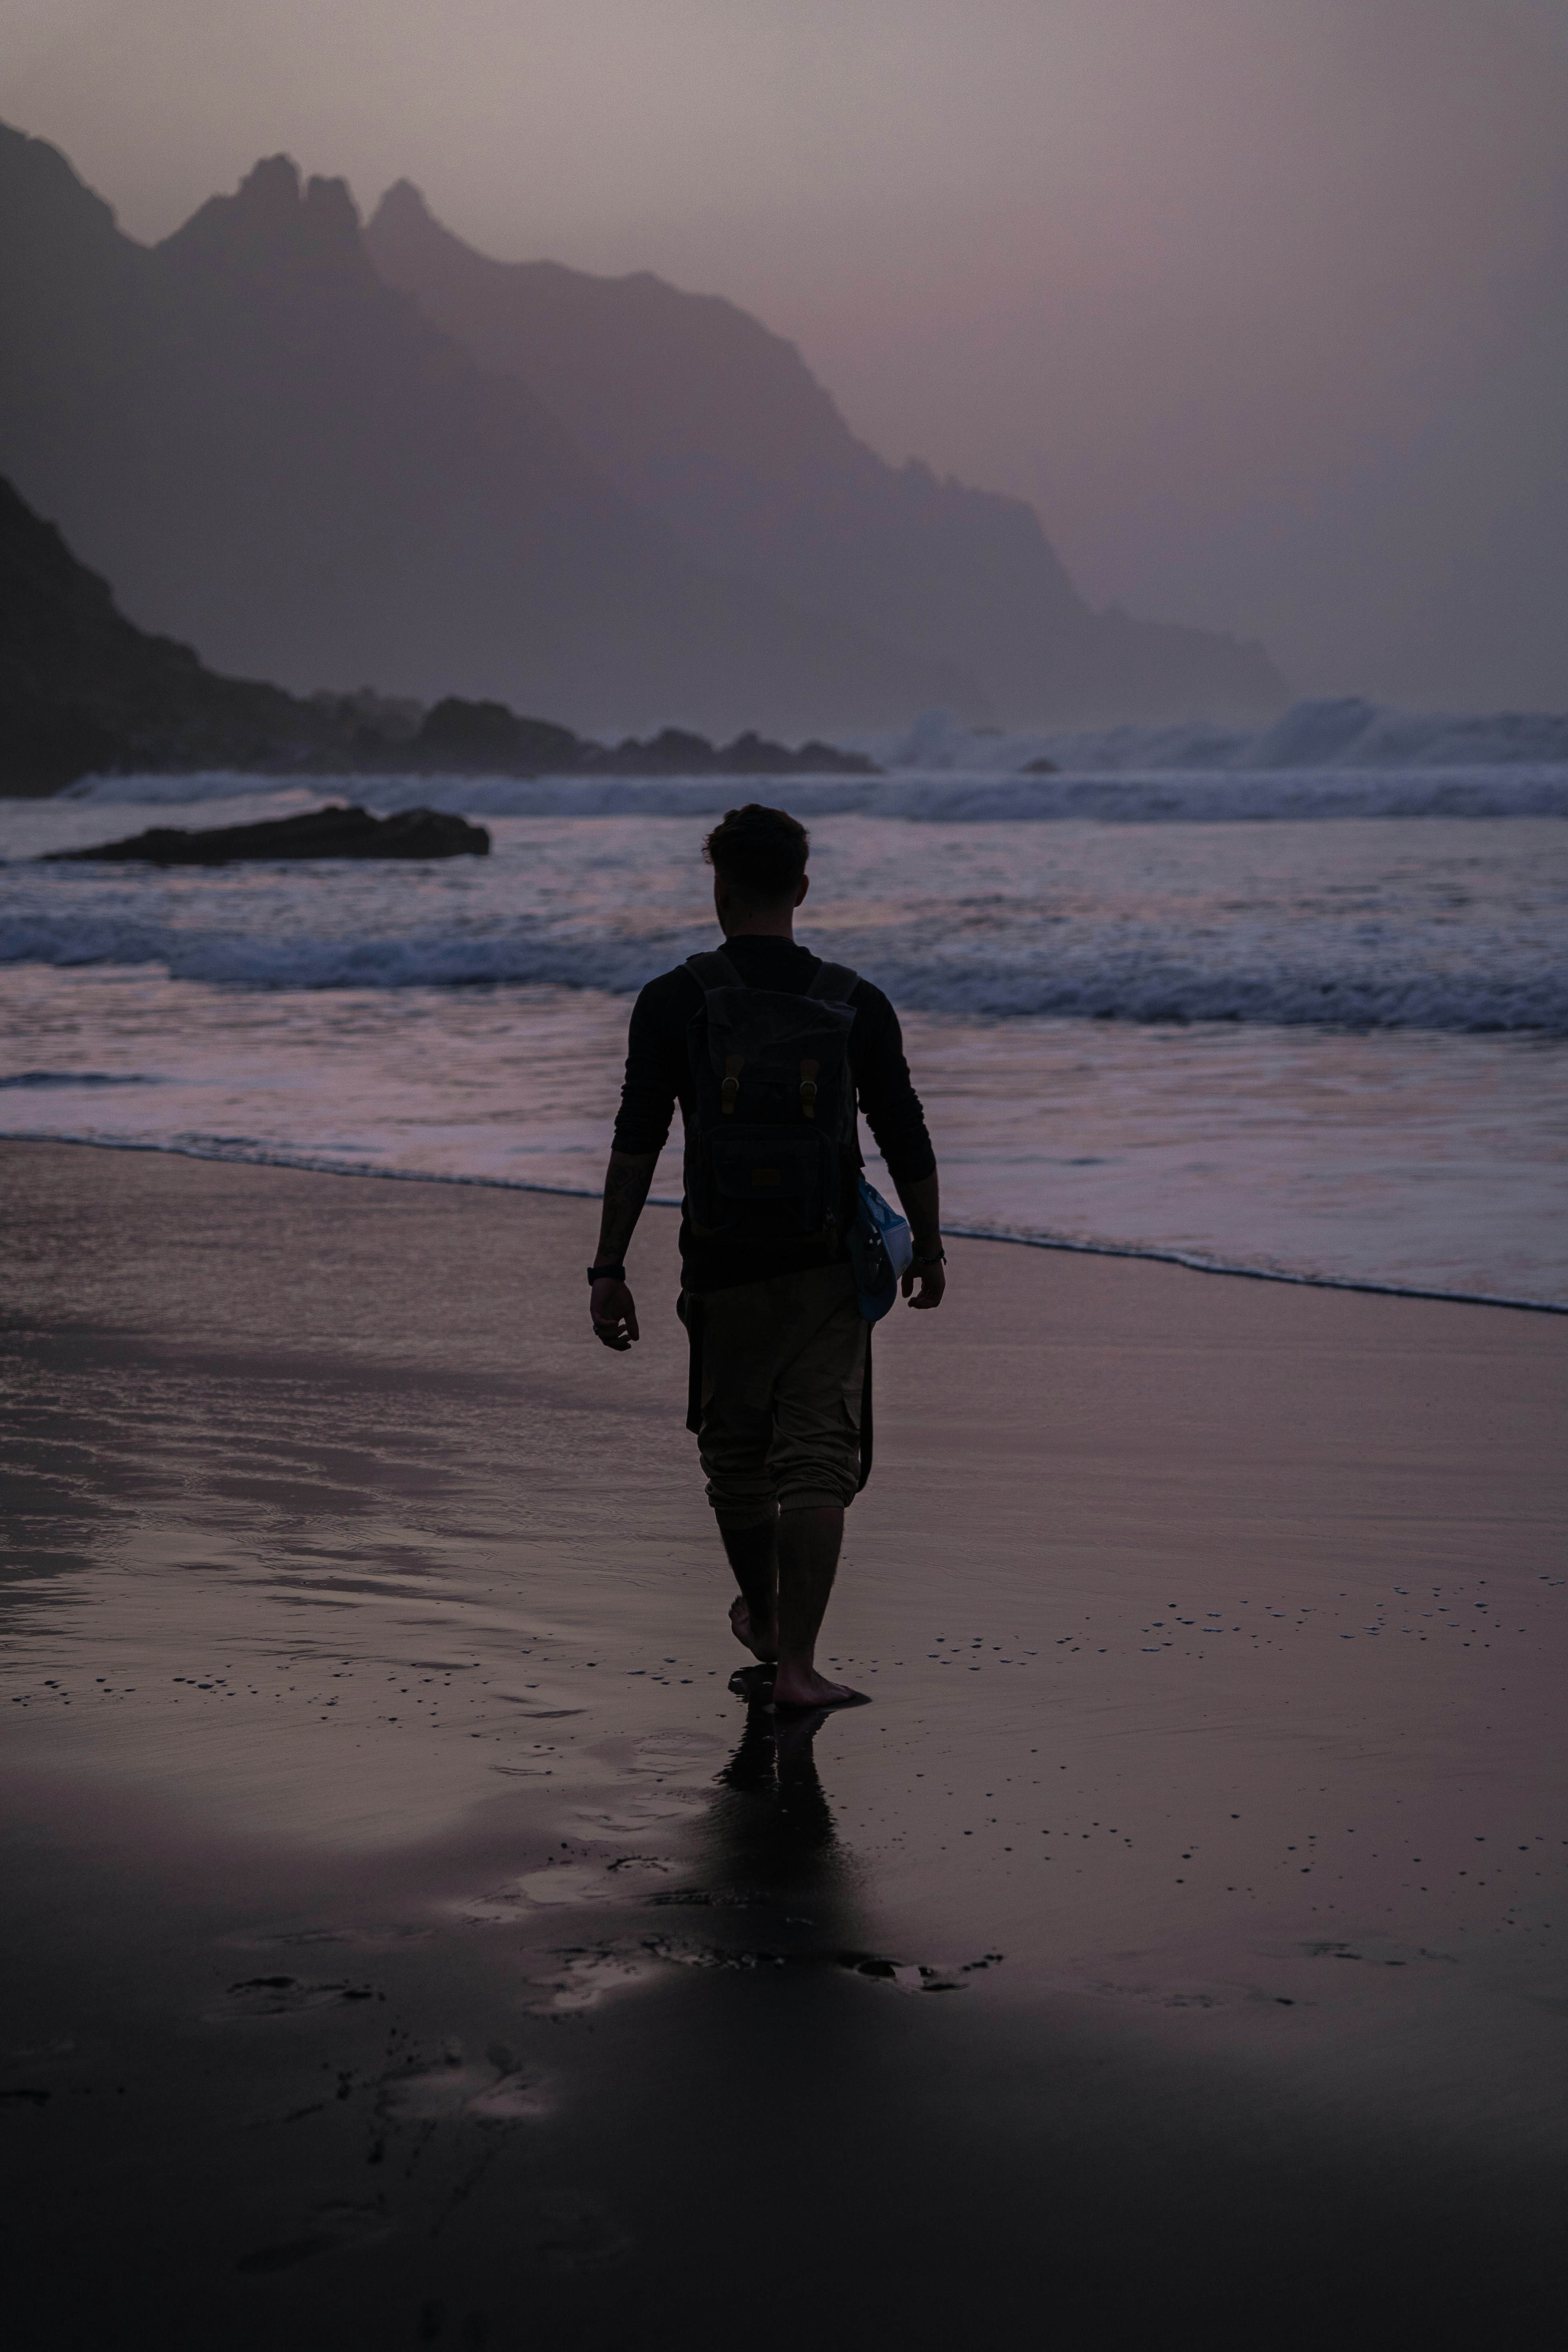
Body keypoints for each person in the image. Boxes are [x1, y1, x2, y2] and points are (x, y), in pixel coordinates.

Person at [587, 803, 945, 1711]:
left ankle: (771, 1621)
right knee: (817, 1459)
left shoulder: (674, 998)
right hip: (827, 1264)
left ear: (719, 887)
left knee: (737, 1456)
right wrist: (930, 1244)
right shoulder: (854, 1000)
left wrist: (608, 1267)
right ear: (802, 887)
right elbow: (903, 1131)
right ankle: (798, 1666)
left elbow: (638, 1136)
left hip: (718, 1262)